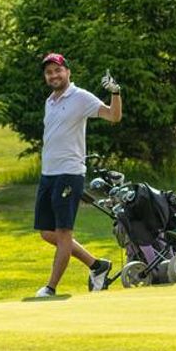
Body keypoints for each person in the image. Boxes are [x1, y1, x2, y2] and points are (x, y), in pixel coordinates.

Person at [33, 53, 122, 298]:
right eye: (49, 72)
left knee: (63, 233)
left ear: (67, 72)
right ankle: (97, 265)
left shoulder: (80, 97)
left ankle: (50, 288)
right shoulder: (50, 101)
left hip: (69, 173)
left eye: (58, 70)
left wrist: (115, 93)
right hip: (48, 174)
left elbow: (113, 116)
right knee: (47, 232)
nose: (54, 75)